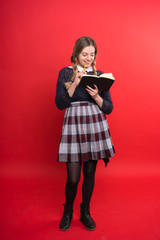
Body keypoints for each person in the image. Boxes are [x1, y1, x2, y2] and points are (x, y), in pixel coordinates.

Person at [55, 36, 115, 231]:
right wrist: (75, 82)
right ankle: (68, 211)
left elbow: (109, 108)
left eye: (92, 54)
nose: (88, 58)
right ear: (76, 54)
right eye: (84, 54)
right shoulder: (65, 73)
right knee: (73, 178)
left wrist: (97, 96)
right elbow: (60, 103)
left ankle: (85, 212)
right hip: (74, 124)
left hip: (95, 124)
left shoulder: (101, 75)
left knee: (89, 172)